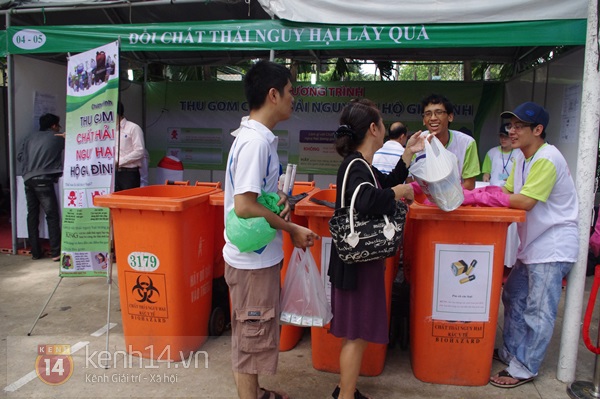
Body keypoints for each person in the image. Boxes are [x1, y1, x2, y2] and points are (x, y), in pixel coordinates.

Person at [223, 60, 319, 399]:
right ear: (273, 94)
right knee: (250, 341)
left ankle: (257, 393)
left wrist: (277, 199)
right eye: (291, 92)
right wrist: (291, 227)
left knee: (252, 335)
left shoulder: (256, 138)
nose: (294, 98)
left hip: (257, 257)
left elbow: (255, 197)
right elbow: (244, 206)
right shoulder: (255, 143)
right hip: (252, 263)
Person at [468, 102, 578, 388]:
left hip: (552, 246)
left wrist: (481, 198)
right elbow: (505, 191)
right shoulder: (521, 158)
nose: (511, 131)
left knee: (538, 309)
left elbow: (525, 201)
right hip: (533, 245)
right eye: (510, 126)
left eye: (518, 126)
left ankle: (525, 366)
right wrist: (474, 194)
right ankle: (511, 352)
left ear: (538, 130)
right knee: (514, 296)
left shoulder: (547, 158)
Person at [328, 99, 425, 399]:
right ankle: (345, 396)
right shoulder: (356, 165)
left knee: (355, 333)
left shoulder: (362, 165)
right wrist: (400, 192)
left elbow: (382, 184)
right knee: (356, 335)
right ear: (373, 128)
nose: (384, 127)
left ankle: (346, 389)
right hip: (357, 266)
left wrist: (408, 153)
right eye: (381, 122)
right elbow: (369, 200)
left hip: (357, 262)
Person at [17, 113, 65, 261]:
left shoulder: (29, 138)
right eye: (58, 125)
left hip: (28, 179)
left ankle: (36, 252)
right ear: (53, 126)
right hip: (44, 180)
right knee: (52, 215)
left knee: (32, 215)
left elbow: (19, 156)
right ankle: (56, 252)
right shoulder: (57, 137)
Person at [409, 94, 481, 190]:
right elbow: (413, 182)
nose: (433, 118)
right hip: (425, 202)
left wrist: (444, 197)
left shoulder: (467, 143)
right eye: (428, 114)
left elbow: (469, 185)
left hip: (457, 201)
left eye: (438, 112)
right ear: (423, 120)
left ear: (450, 117)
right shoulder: (416, 142)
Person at [482, 123, 522, 267]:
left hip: (511, 197)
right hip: (494, 196)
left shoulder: (519, 154)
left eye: (506, 136)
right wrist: (486, 177)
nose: (503, 139)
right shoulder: (492, 152)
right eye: (501, 136)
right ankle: (496, 262)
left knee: (512, 232)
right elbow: (486, 172)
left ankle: (510, 262)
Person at [115, 102, 146, 192]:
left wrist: (120, 162)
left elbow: (139, 151)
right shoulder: (110, 130)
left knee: (128, 202)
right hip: (115, 174)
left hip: (129, 173)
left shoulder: (133, 128)